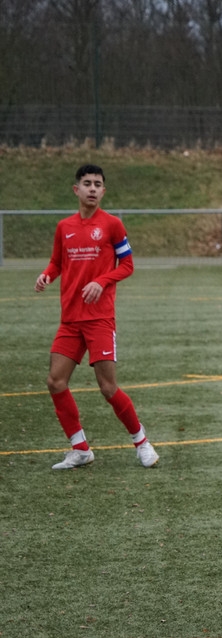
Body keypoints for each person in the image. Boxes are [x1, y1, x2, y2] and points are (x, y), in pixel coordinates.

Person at [34, 164, 159, 470]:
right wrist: (46, 276)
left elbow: (127, 265)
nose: (92, 188)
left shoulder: (113, 225)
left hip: (99, 318)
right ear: (76, 190)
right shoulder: (64, 227)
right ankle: (80, 448)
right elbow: (56, 262)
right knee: (55, 381)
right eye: (87, 183)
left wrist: (101, 281)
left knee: (107, 387)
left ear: (104, 191)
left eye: (98, 184)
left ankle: (142, 443)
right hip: (70, 320)